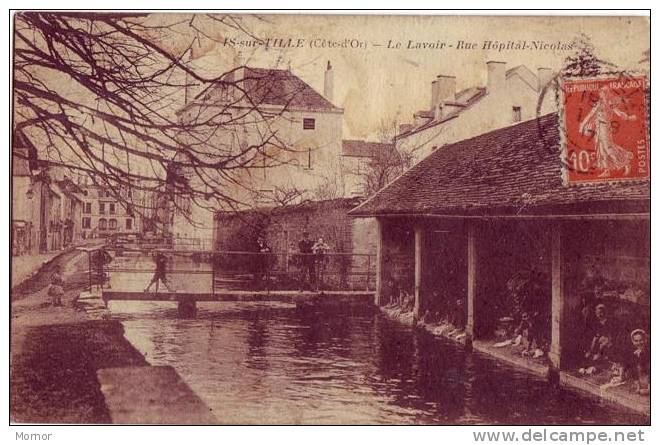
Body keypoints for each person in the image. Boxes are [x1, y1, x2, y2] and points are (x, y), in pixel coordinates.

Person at [628, 329, 650, 396]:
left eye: (641, 340)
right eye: (636, 341)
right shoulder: (634, 354)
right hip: (642, 384)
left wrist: (649, 389)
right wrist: (638, 386)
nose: (639, 343)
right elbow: (634, 371)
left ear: (645, 340)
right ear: (633, 342)